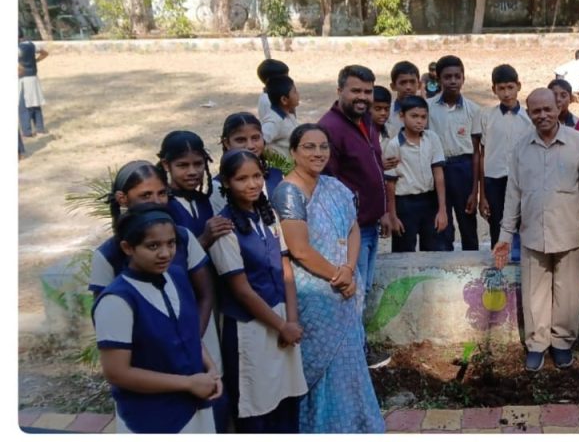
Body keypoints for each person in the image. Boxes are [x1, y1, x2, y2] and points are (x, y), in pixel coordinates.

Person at [272, 124, 386, 433]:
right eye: (309, 147)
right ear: (293, 152)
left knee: (350, 365)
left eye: (323, 147)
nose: (318, 153)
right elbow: (298, 249)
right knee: (324, 370)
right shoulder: (288, 193)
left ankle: (357, 425)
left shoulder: (334, 186)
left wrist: (348, 270)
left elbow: (353, 229)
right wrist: (337, 275)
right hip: (316, 296)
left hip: (346, 288)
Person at [91, 203, 221, 433]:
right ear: (128, 248)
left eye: (171, 244)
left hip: (196, 408)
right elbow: (117, 372)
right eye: (153, 246)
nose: (165, 253)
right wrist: (188, 383)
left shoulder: (177, 277)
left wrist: (210, 369)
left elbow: (188, 334)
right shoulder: (117, 301)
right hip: (152, 420)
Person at [493, 88, 579, 371]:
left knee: (569, 293)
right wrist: (505, 236)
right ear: (529, 113)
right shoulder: (520, 147)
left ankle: (562, 342)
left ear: (559, 108)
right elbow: (512, 194)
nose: (542, 115)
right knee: (533, 293)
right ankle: (537, 344)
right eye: (536, 111)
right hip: (532, 234)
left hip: (570, 233)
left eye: (547, 109)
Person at [208, 149, 307, 433]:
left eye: (256, 177)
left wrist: (292, 319)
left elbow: (285, 268)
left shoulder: (269, 215)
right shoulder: (225, 229)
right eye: (241, 179)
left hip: (281, 319)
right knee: (256, 404)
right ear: (226, 183)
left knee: (286, 399)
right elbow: (241, 291)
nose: (251, 184)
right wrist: (281, 326)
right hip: (250, 328)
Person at [318, 65, 392, 369]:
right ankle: (353, 358)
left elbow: (372, 168)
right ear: (340, 92)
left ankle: (357, 351)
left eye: (367, 91)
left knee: (362, 291)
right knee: (352, 296)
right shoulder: (330, 129)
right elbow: (328, 185)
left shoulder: (366, 121)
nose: (363, 97)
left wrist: (384, 209)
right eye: (356, 91)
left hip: (371, 224)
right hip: (352, 231)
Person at [427, 55, 482, 252]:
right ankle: (444, 269)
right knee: (442, 222)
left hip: (464, 168)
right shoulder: (428, 108)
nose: (452, 81)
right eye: (447, 77)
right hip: (437, 169)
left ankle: (473, 267)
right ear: (439, 79)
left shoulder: (474, 110)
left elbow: (477, 150)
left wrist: (475, 189)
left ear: (463, 78)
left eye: (457, 76)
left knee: (467, 220)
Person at [478, 64, 532, 260]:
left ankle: (524, 263)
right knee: (497, 223)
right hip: (495, 180)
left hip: (522, 179)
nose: (506, 93)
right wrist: (482, 194)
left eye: (510, 87)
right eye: (501, 88)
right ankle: (498, 263)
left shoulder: (529, 118)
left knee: (524, 222)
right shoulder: (487, 117)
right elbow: (482, 154)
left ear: (518, 86)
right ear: (494, 90)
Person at [383, 96, 448, 252]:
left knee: (433, 249)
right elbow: (390, 184)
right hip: (405, 204)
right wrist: (393, 216)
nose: (419, 121)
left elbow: (438, 174)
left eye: (423, 117)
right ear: (402, 116)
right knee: (404, 250)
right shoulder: (394, 145)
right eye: (414, 116)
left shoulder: (432, 139)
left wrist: (442, 210)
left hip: (429, 201)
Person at [157, 131, 234, 249]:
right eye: (183, 165)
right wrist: (205, 238)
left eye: (198, 164)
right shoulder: (163, 205)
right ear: (166, 165)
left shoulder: (203, 201)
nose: (192, 172)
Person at [212, 113, 286, 215]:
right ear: (227, 143)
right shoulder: (219, 186)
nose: (250, 146)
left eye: (255, 138)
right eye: (240, 140)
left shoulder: (276, 175)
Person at [261, 75, 301, 159]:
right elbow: (260, 142)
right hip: (281, 169)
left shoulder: (288, 115)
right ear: (284, 100)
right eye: (294, 92)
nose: (298, 94)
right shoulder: (274, 121)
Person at [19, 28, 49, 137]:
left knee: (24, 106)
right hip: (33, 77)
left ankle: (27, 131)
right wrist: (36, 61)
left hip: (22, 80)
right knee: (36, 104)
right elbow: (45, 53)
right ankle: (40, 128)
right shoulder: (32, 45)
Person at [387, 61, 422, 138]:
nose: (408, 87)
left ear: (419, 85)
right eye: (403, 83)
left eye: (412, 82)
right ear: (393, 86)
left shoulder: (427, 111)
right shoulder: (387, 112)